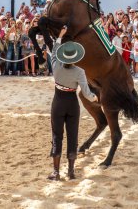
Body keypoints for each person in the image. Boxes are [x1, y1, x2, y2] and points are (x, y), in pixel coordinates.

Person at [48, 26, 98, 181]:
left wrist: (60, 36)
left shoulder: (56, 67)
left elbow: (54, 52)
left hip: (58, 102)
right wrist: (95, 99)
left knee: (57, 136)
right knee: (73, 136)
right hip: (72, 103)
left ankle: (56, 172)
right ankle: (71, 171)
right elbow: (87, 93)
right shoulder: (79, 71)